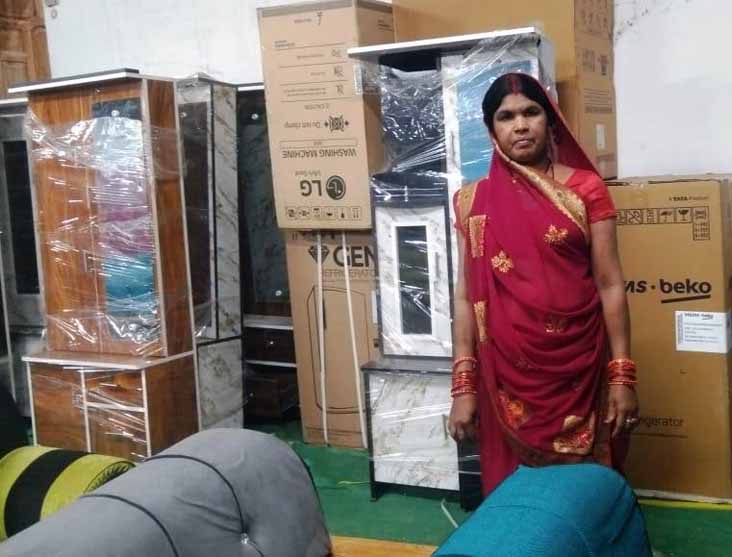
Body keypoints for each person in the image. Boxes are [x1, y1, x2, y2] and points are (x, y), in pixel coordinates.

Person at [448, 72, 639, 495]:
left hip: (579, 371)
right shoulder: (471, 201)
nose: (520, 125)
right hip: (503, 378)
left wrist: (623, 375)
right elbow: (465, 296)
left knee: (584, 495)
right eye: (506, 116)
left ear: (550, 122)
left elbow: (610, 284)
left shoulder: (585, 189)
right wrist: (463, 385)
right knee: (516, 498)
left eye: (531, 112)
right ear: (491, 128)